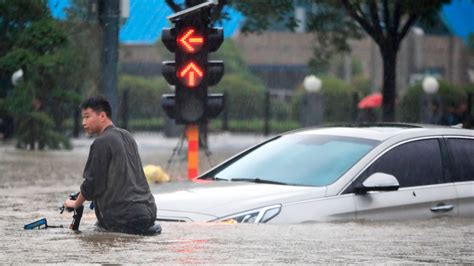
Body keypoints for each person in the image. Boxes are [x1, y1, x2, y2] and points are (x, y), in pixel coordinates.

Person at [63, 96, 159, 235]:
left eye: (87, 117)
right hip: (148, 213)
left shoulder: (101, 142)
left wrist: (75, 203)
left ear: (102, 116)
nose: (83, 122)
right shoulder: (127, 136)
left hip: (122, 218)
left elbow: (92, 183)